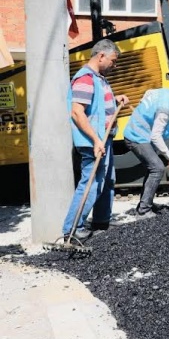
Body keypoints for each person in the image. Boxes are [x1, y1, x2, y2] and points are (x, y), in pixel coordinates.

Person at [62, 39, 129, 241]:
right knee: (91, 184)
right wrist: (95, 140)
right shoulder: (85, 79)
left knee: (107, 182)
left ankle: (101, 221)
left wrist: (116, 99)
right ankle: (72, 229)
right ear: (101, 56)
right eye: (113, 61)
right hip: (94, 142)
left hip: (104, 139)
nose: (114, 65)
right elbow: (77, 112)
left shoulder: (99, 78)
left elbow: (97, 104)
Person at [123, 79, 169, 218]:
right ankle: (144, 211)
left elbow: (148, 93)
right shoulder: (166, 109)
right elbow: (156, 136)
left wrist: (143, 108)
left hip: (143, 134)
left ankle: (146, 202)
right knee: (157, 168)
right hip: (137, 137)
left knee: (153, 167)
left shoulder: (162, 92)